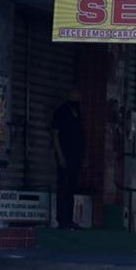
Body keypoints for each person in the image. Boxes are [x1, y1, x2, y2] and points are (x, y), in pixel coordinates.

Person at [51, 88, 85, 230]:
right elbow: (55, 134)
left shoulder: (78, 113)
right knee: (63, 187)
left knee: (71, 188)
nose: (78, 96)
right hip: (65, 155)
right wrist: (60, 155)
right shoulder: (61, 112)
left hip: (75, 156)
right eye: (76, 93)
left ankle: (69, 219)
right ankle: (61, 219)